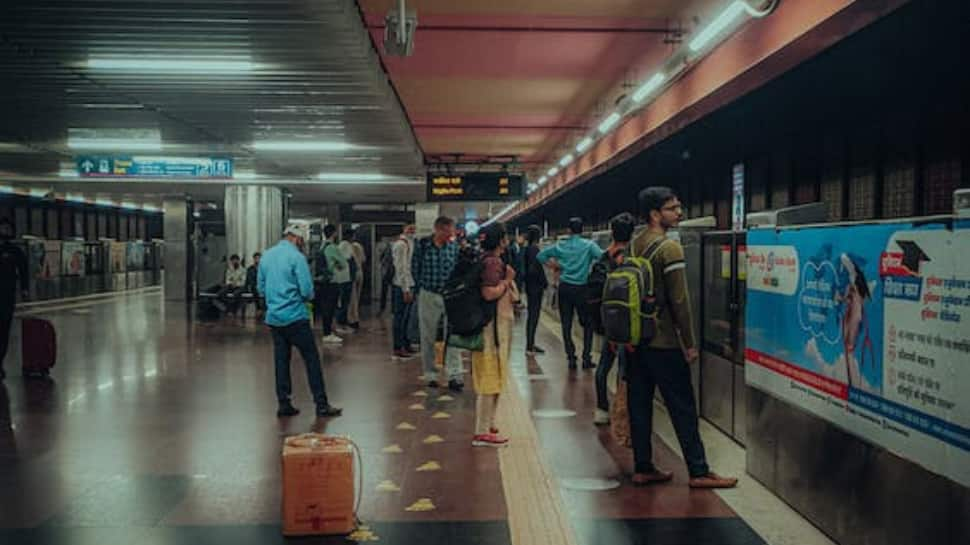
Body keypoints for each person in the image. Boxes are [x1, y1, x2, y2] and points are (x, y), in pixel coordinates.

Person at [628, 187, 735, 488]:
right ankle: (699, 471)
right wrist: (689, 342)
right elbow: (680, 301)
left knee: (640, 404)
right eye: (673, 208)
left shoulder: (634, 245)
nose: (679, 212)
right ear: (654, 214)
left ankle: (642, 466)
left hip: (636, 341)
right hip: (663, 342)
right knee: (683, 406)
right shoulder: (668, 249)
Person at [257, 225, 342, 419]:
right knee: (311, 359)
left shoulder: (267, 256)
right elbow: (306, 291)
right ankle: (321, 404)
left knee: (281, 360)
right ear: (297, 239)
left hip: (274, 319)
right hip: (295, 317)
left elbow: (260, 288)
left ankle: (284, 403)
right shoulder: (297, 258)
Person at [471, 223, 518, 447]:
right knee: (489, 375)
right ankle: (481, 432)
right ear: (500, 240)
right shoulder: (492, 262)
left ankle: (488, 423)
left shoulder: (485, 259)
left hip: (493, 325)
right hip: (492, 328)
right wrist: (507, 281)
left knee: (494, 375)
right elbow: (488, 293)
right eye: (505, 237)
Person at [537, 217, 604, 370]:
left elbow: (540, 256)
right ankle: (586, 358)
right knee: (587, 324)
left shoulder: (560, 245)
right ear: (582, 230)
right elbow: (602, 256)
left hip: (565, 288)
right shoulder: (589, 245)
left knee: (566, 324)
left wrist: (554, 266)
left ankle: (571, 358)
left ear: (569, 230)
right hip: (582, 288)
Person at [592, 213, 636, 425]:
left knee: (603, 368)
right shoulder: (634, 259)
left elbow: (594, 294)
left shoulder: (603, 259)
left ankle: (602, 409)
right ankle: (624, 411)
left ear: (611, 232)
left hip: (608, 322)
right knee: (624, 371)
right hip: (630, 324)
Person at [412, 216, 464, 391]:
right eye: (449, 231)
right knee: (427, 335)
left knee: (454, 335)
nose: (451, 234)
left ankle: (455, 375)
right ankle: (431, 374)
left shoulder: (454, 247)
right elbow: (415, 267)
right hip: (428, 293)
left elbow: (458, 269)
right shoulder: (423, 246)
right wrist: (419, 287)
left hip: (450, 295)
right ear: (438, 229)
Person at [0, 218, 29, 381]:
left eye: (7, 228)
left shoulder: (15, 251)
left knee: (4, 331)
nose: (5, 231)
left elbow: (23, 270)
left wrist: (24, 289)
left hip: (7, 297)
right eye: (2, 227)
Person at [316, 224, 349, 344]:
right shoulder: (333, 248)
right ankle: (328, 333)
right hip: (332, 281)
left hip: (323, 281)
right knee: (330, 308)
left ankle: (327, 332)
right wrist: (337, 265)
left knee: (325, 307)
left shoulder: (322, 246)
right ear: (334, 233)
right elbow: (343, 263)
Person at [391, 224, 417, 360]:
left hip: (409, 284)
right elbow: (401, 268)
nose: (412, 230)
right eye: (409, 228)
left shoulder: (410, 243)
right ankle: (398, 347)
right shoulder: (401, 245)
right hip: (401, 286)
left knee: (406, 318)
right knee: (400, 317)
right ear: (403, 229)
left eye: (414, 228)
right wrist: (405, 289)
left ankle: (405, 344)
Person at [523, 225, 547, 356]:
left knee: (533, 316)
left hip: (530, 286)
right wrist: (544, 282)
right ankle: (529, 346)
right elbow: (536, 269)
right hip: (535, 288)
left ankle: (531, 344)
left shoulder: (528, 249)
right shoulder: (534, 249)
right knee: (533, 316)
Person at [336, 229, 357, 332]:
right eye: (353, 236)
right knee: (344, 302)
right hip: (345, 278)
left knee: (345, 302)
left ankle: (343, 322)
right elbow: (348, 259)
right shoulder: (345, 245)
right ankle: (341, 324)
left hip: (346, 278)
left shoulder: (343, 245)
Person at [348, 234, 366, 329]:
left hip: (352, 273)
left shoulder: (348, 247)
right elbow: (363, 259)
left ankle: (353, 319)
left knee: (352, 299)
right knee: (357, 298)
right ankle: (356, 318)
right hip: (360, 272)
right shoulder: (359, 246)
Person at [378, 240, 394, 314]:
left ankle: (383, 308)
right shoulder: (391, 248)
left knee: (385, 291)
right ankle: (390, 308)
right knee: (389, 291)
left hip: (388, 271)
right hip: (390, 271)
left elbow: (381, 259)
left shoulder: (387, 248)